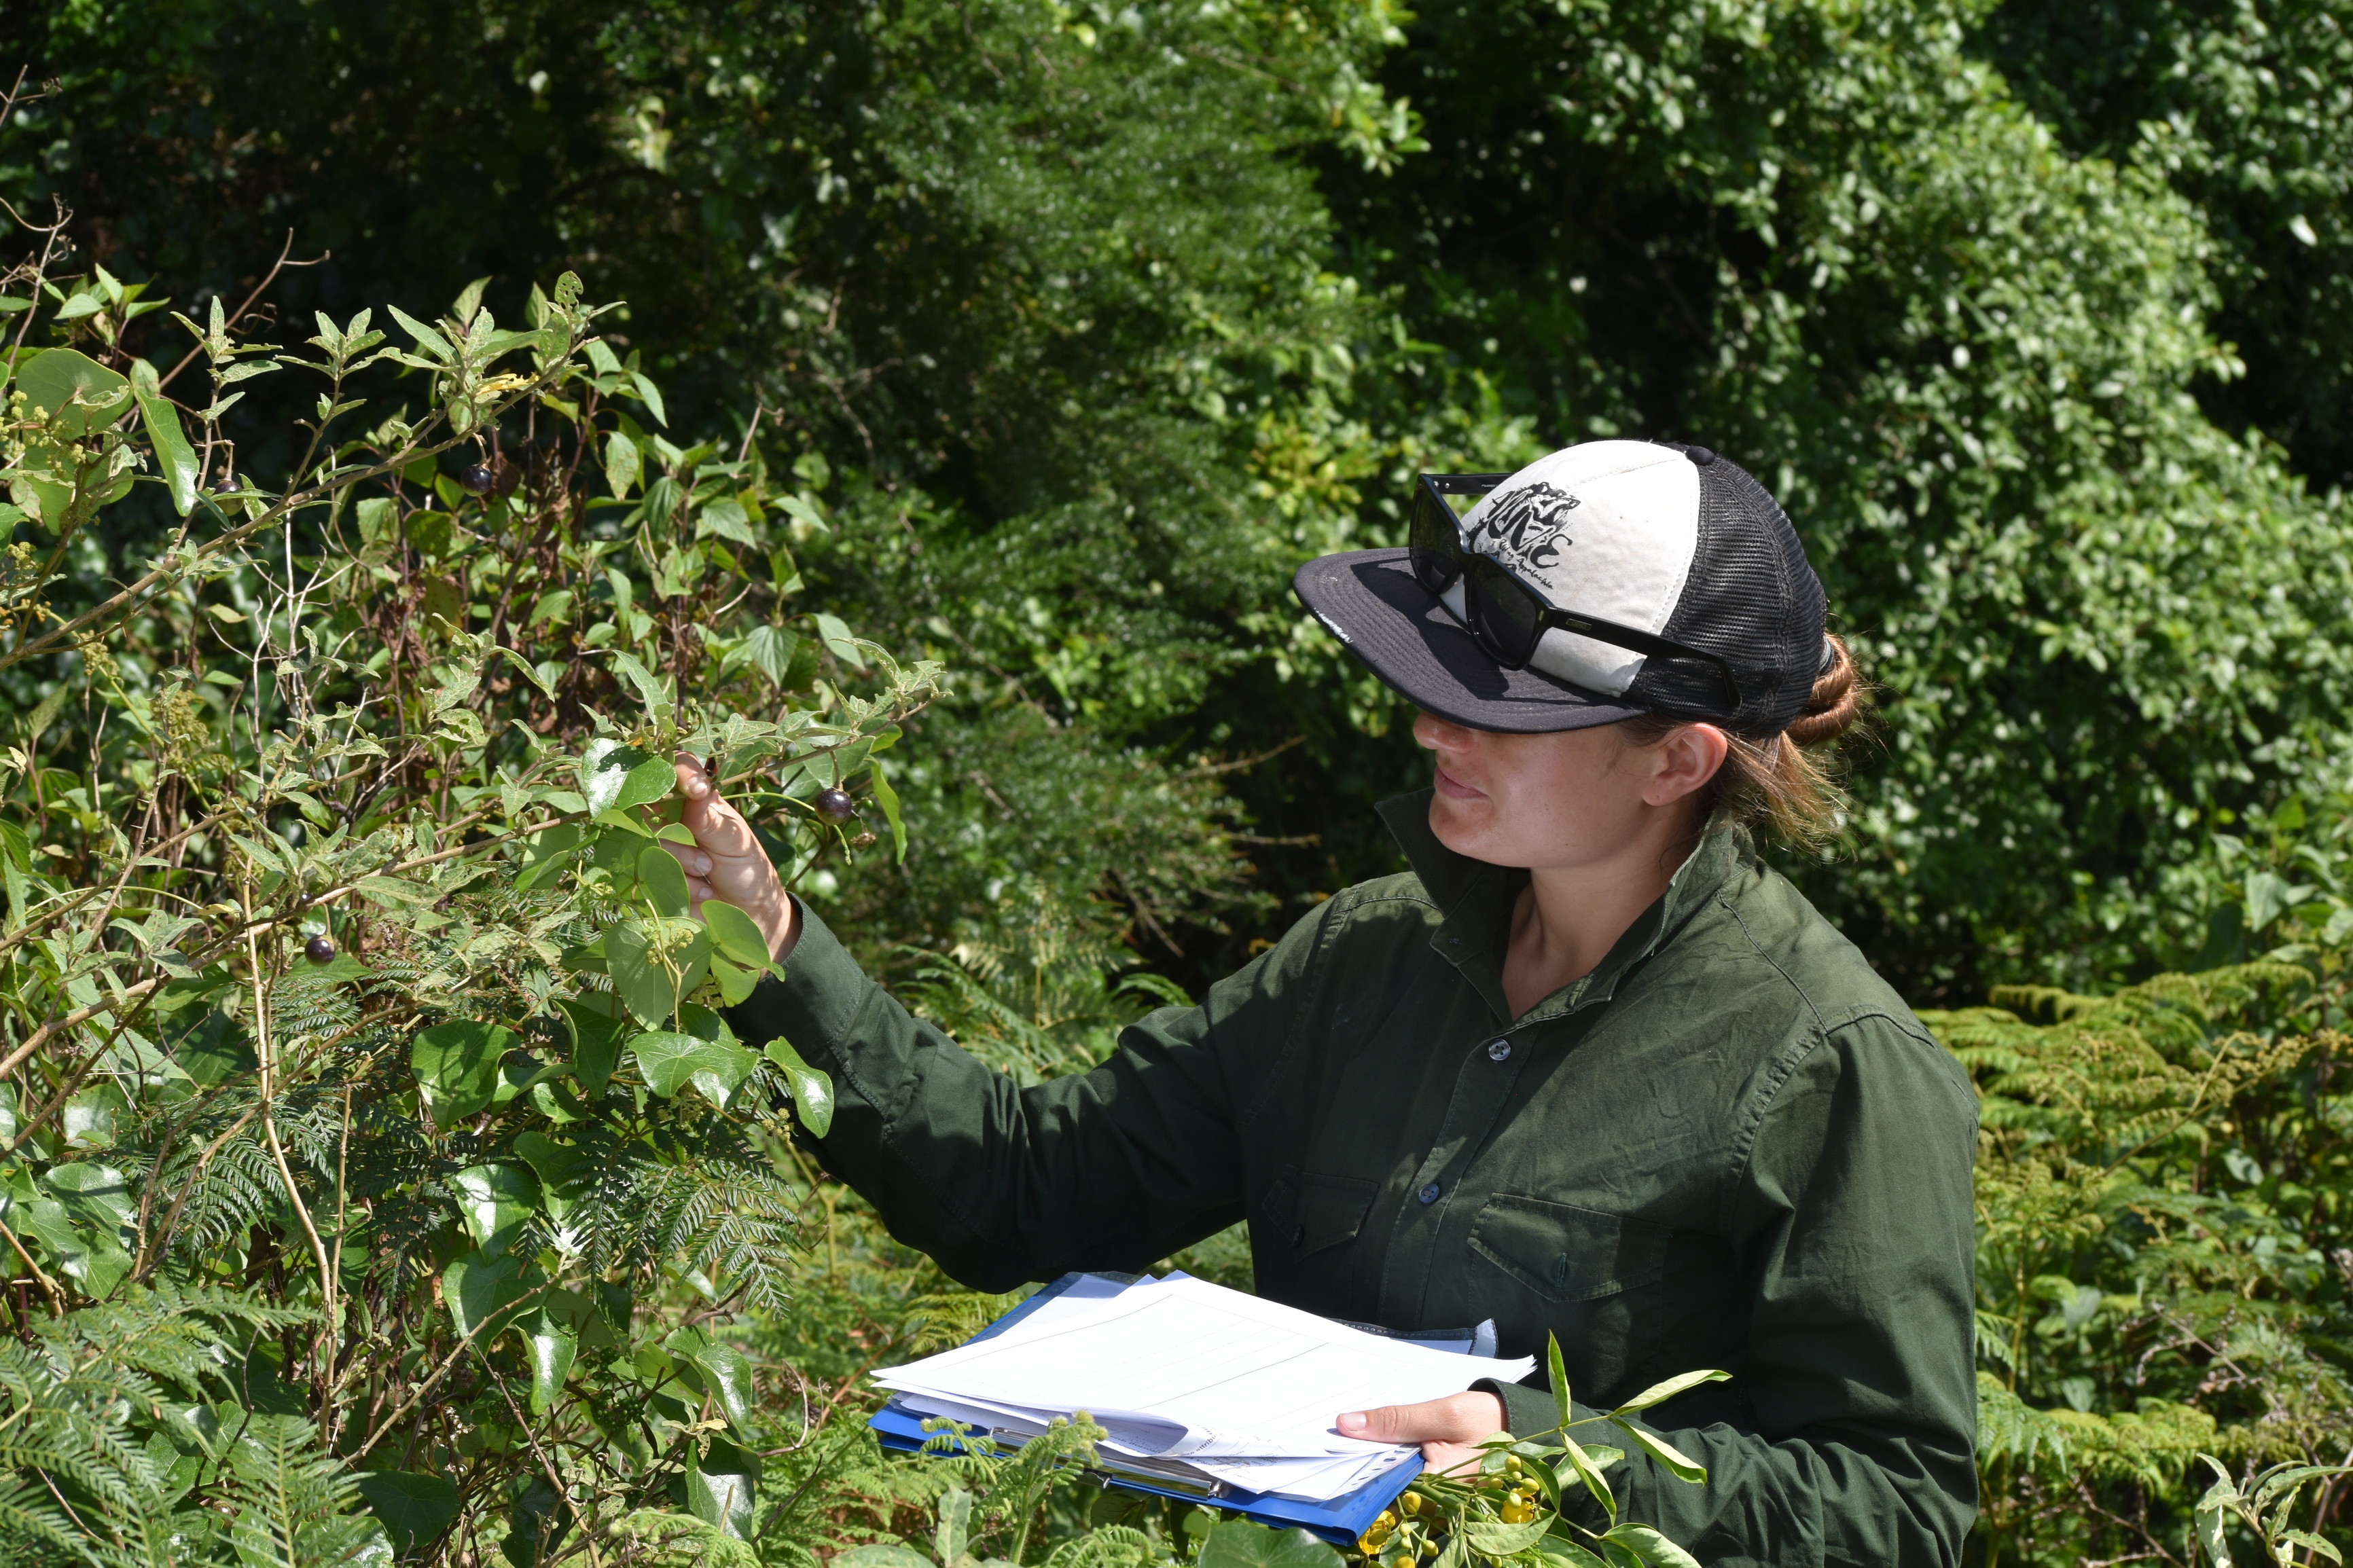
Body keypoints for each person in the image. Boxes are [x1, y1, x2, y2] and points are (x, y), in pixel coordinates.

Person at [662, 440, 1979, 1568]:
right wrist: (770, 949)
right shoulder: (1360, 964)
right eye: (1433, 685)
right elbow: (1022, 1186)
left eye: (1495, 709)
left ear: (1675, 759)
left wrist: (1550, 1464)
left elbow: (1900, 1507)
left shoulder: (1834, 1064)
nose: (1426, 731)